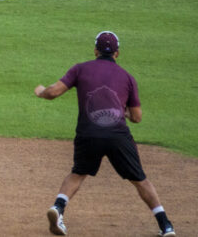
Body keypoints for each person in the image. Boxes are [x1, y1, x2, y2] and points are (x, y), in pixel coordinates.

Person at [35, 31, 175, 237]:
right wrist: (122, 110)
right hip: (118, 135)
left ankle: (58, 207)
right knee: (140, 180)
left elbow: (54, 92)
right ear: (117, 53)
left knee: (78, 173)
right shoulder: (127, 77)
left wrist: (40, 91)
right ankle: (166, 225)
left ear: (95, 51)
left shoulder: (80, 69)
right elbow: (137, 117)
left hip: (88, 134)